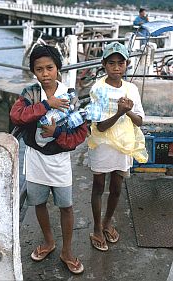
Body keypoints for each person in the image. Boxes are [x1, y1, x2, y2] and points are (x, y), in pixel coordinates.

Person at [10, 44, 87, 274]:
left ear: (58, 68)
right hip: (35, 158)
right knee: (39, 202)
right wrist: (46, 105)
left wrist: (56, 134)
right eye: (39, 69)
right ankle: (49, 241)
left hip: (60, 160)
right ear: (34, 71)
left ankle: (67, 250)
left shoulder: (69, 97)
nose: (45, 74)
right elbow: (16, 116)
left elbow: (80, 133)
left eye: (50, 68)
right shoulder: (31, 93)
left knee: (66, 205)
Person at [86, 42, 146, 251]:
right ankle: (96, 227)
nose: (116, 67)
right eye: (111, 63)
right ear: (104, 65)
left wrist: (127, 111)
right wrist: (119, 112)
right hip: (102, 144)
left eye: (120, 63)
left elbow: (139, 121)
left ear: (126, 65)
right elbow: (100, 127)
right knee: (98, 186)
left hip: (124, 144)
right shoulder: (97, 89)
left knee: (117, 187)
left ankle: (107, 222)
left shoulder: (131, 89)